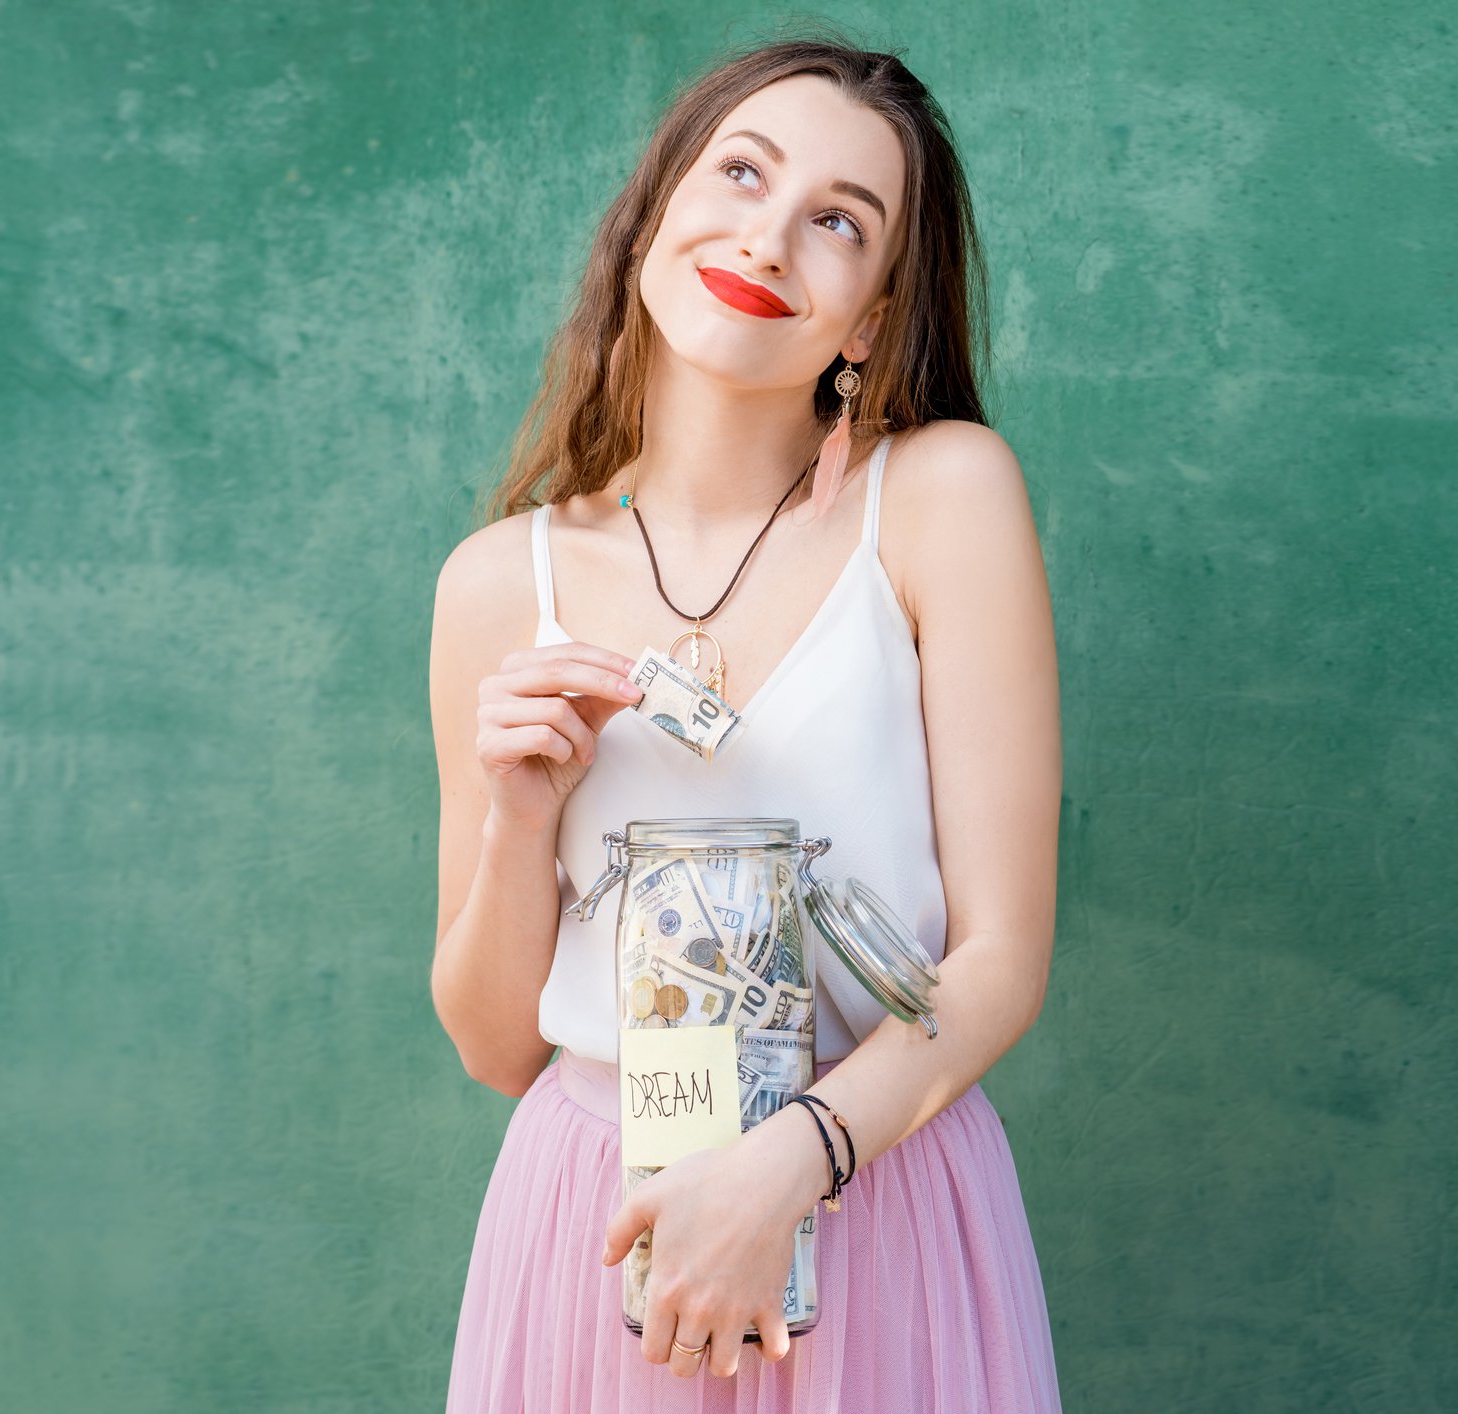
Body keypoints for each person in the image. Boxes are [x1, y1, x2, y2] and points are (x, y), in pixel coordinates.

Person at [426, 32, 1065, 1412]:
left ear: (873, 318)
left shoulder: (943, 497)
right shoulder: (496, 583)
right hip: (598, 1220)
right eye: (741, 174)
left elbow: (1003, 958)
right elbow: (494, 1046)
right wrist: (518, 819)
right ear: (653, 213)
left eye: (840, 222)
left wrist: (790, 1163)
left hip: (877, 1189)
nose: (767, 238)